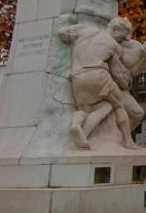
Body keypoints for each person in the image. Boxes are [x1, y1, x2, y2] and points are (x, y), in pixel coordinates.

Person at [58, 17, 137, 149]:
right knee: (118, 105)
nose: (125, 40)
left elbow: (61, 32)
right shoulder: (113, 45)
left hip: (76, 76)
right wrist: (125, 85)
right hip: (97, 74)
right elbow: (117, 73)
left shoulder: (87, 31)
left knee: (88, 108)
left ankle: (77, 126)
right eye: (122, 37)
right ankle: (128, 141)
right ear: (115, 29)